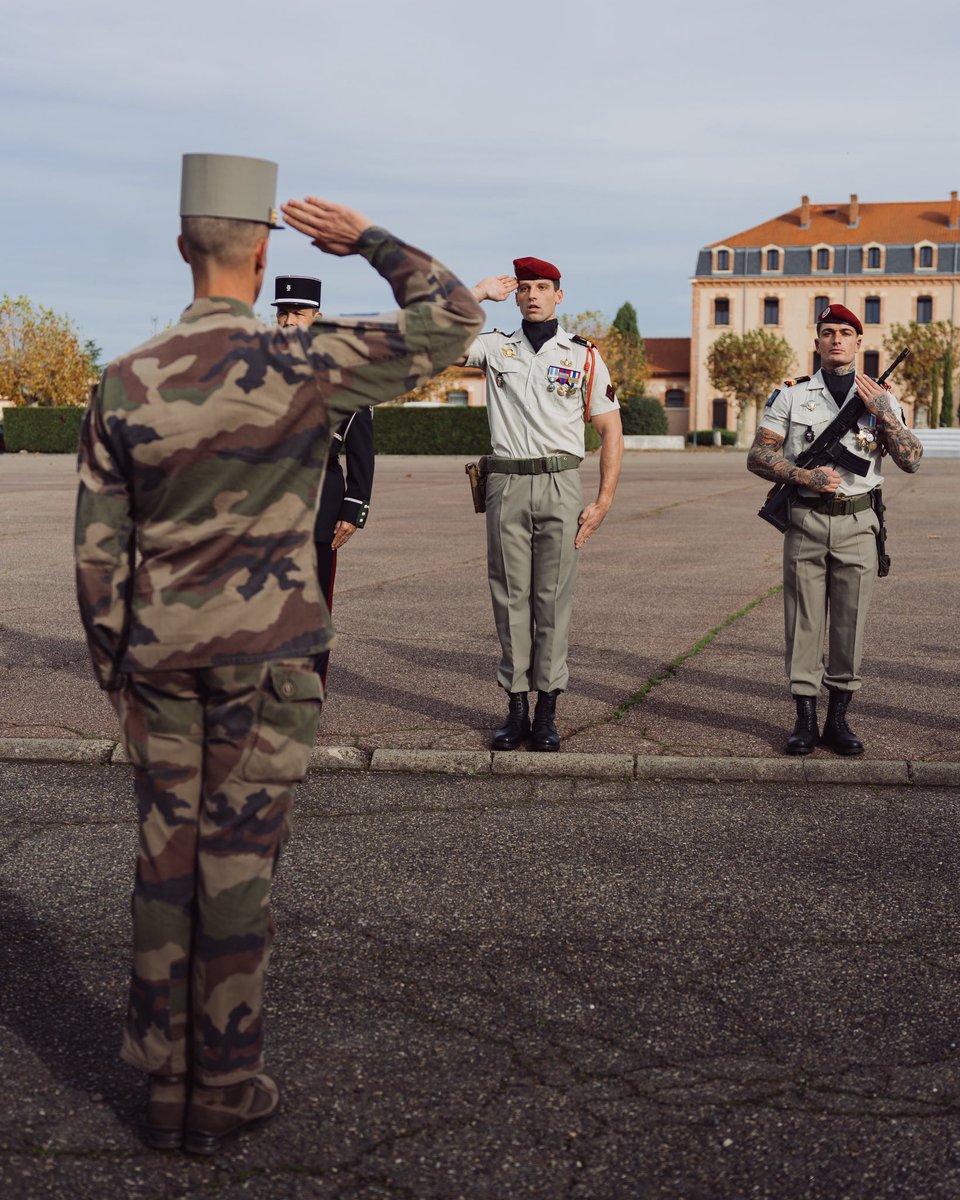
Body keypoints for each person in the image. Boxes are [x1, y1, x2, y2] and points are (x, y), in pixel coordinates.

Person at [74, 153, 482, 1155]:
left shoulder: (123, 381)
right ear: (261, 254)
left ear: (183, 248)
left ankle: (163, 1088)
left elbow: (96, 557)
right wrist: (368, 241)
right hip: (271, 658)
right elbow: (458, 318)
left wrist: (116, 670)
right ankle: (223, 1091)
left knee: (165, 866)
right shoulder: (306, 363)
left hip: (161, 661)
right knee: (237, 871)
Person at [746, 302, 922, 756]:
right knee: (803, 621)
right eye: (828, 332)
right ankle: (804, 721)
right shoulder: (791, 394)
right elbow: (758, 457)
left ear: (859, 343)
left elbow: (911, 459)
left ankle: (838, 721)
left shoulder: (880, 396)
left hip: (859, 522)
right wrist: (806, 476)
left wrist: (883, 411)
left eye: (846, 332)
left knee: (850, 623)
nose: (837, 339)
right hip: (805, 519)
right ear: (818, 340)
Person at [465, 258, 624, 751]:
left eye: (543, 287)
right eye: (525, 288)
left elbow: (610, 430)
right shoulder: (494, 347)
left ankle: (548, 710)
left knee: (553, 600)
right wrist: (474, 294)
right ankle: (515, 708)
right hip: (507, 483)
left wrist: (603, 501)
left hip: (560, 483)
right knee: (510, 598)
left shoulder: (584, 356)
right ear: (515, 297)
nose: (533, 294)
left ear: (560, 295)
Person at [270, 274, 375, 690]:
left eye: (297, 312)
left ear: (317, 317)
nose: (289, 321)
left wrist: (354, 509)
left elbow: (362, 451)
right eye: (282, 313)